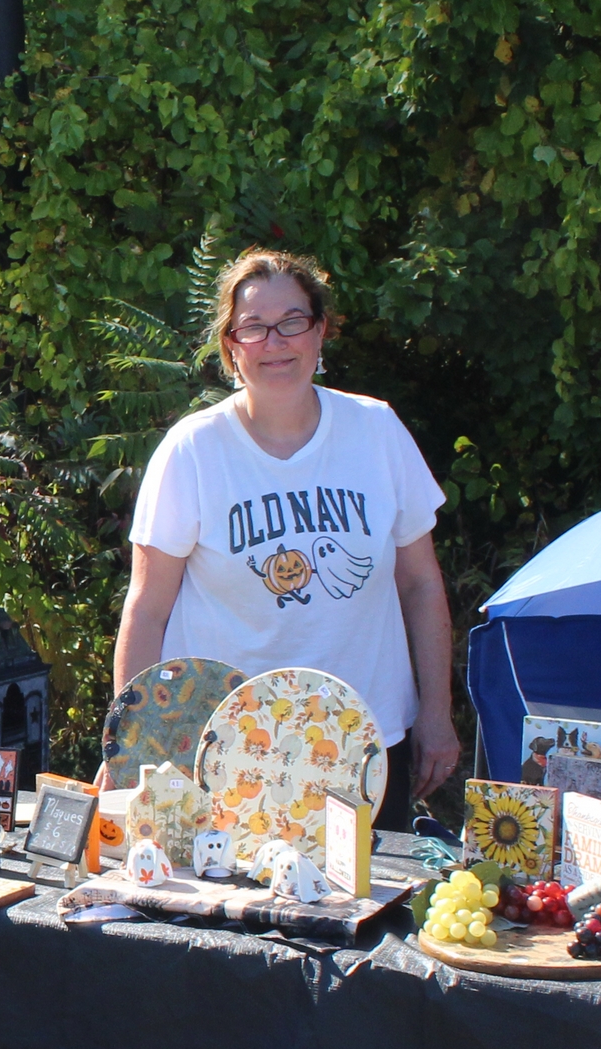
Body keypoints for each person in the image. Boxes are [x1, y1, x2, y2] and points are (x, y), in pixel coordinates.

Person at [110, 249, 458, 828]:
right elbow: (147, 610)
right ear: (231, 347)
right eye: (253, 327)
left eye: (293, 321)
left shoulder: (377, 430)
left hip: (366, 741)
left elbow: (421, 585)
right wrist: (131, 742)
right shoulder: (193, 450)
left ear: (320, 331)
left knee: (372, 889)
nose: (275, 342)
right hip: (227, 746)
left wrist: (437, 713)